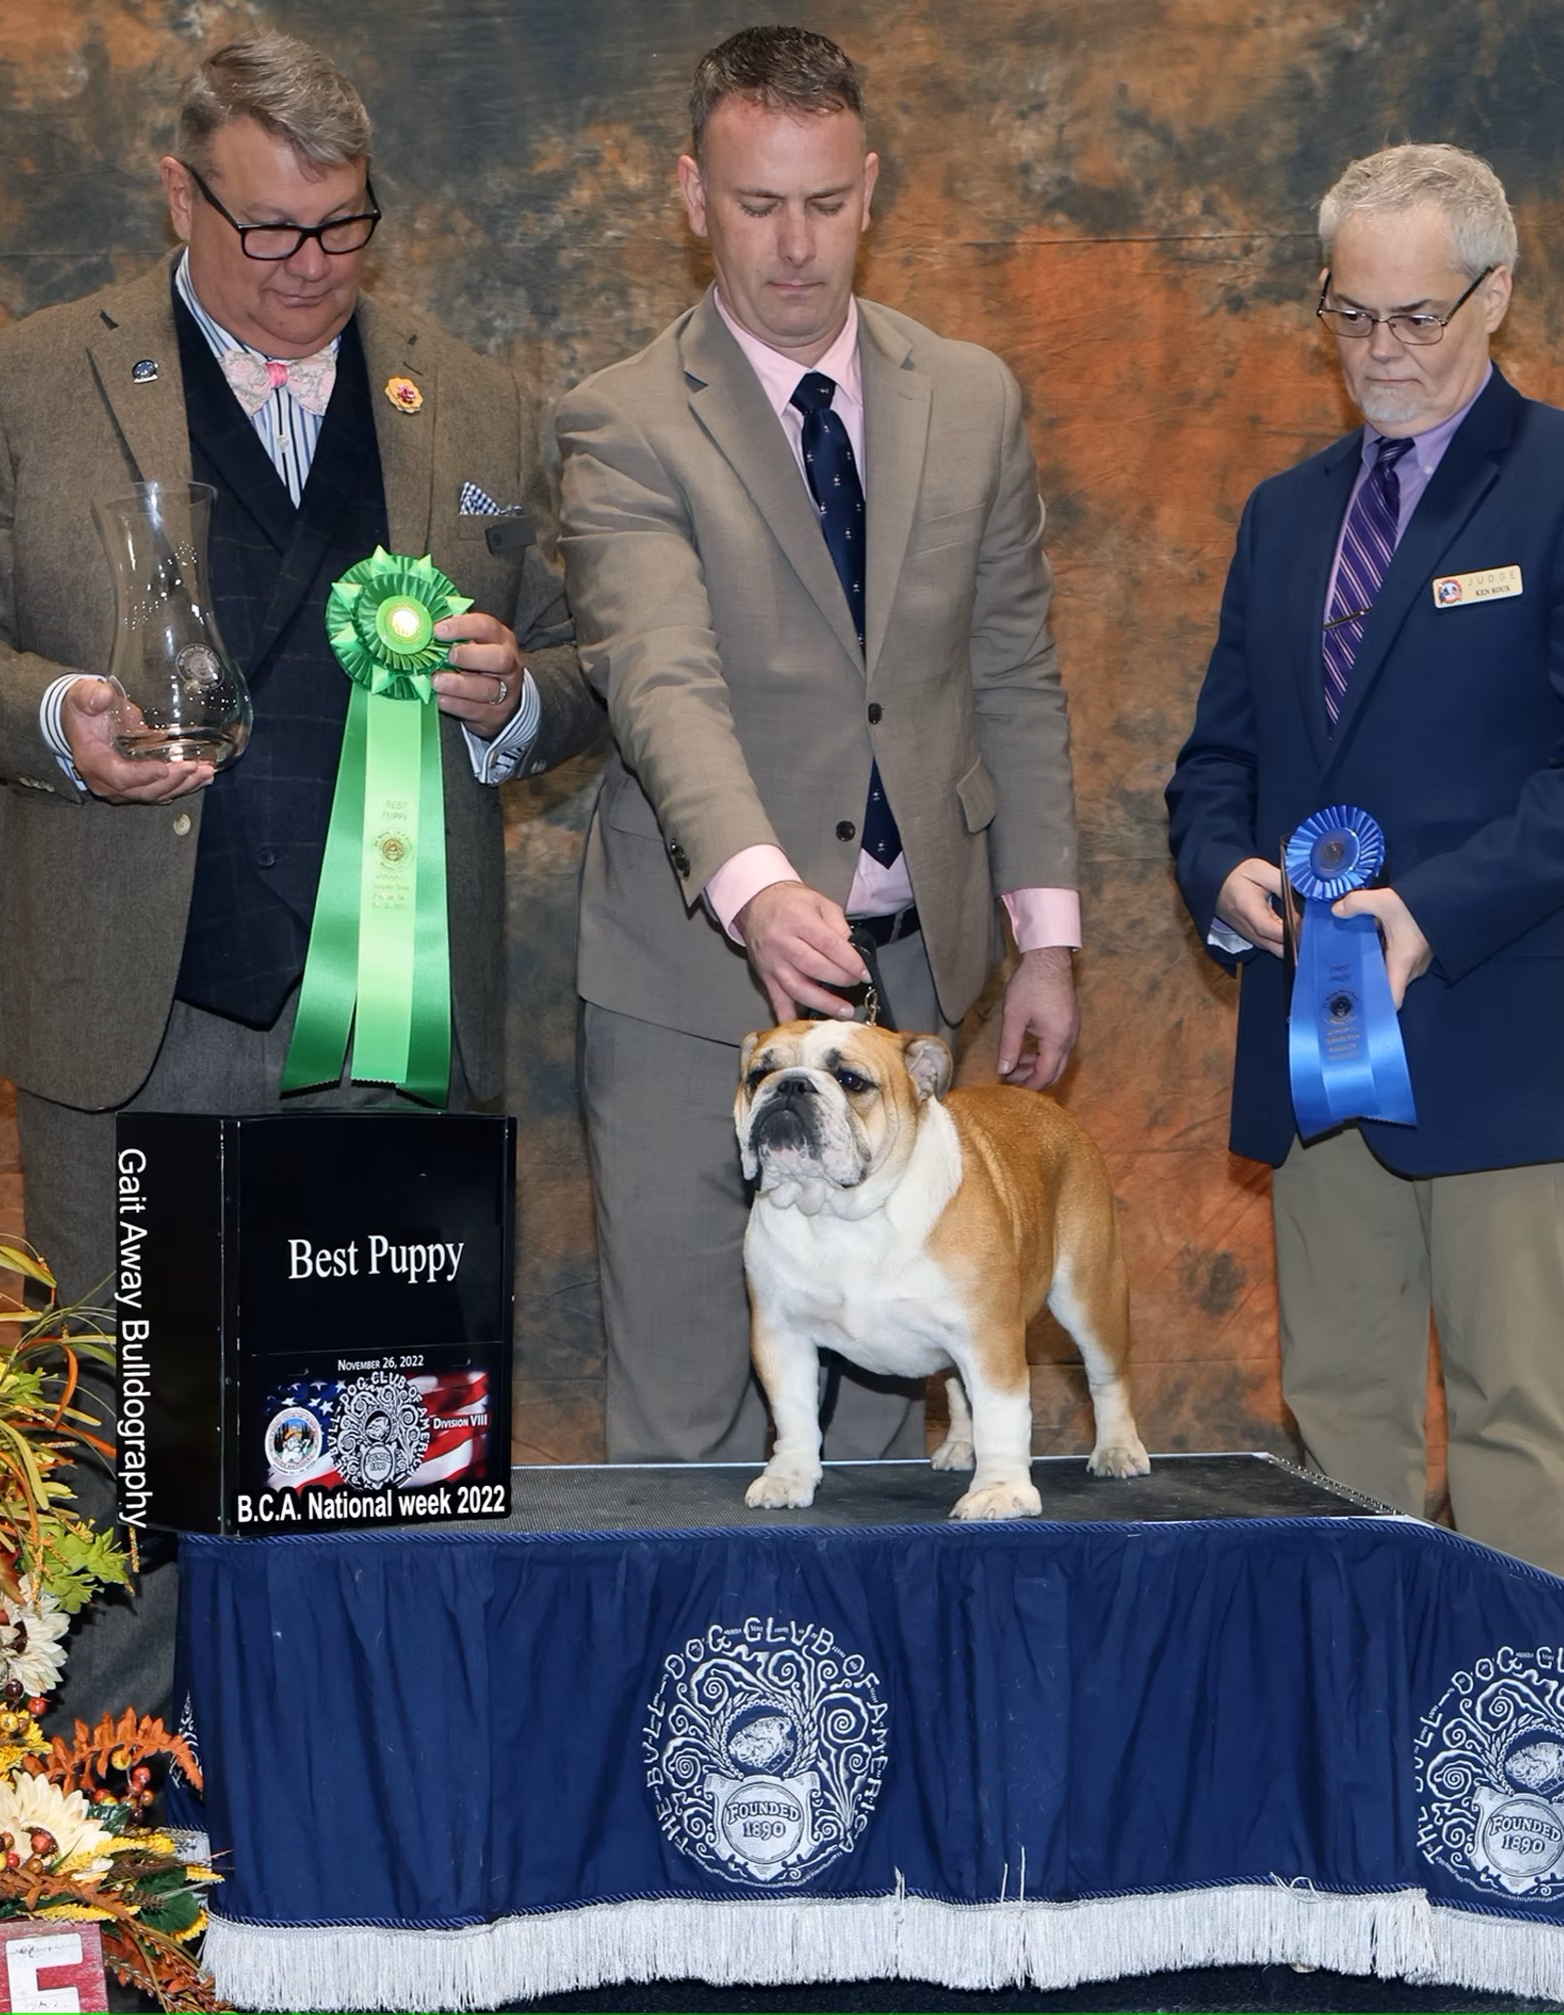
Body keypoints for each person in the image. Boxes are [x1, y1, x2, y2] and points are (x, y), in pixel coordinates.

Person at [0, 31, 601, 1713]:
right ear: (178, 194)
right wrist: (58, 712)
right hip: (136, 1014)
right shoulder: (26, 377)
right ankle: (111, 1842)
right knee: (122, 1473)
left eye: (345, 227)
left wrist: (518, 700)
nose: (312, 270)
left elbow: (585, 664)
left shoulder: (476, 391)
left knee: (383, 1451)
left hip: (393, 1037)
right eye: (271, 230)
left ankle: (381, 1832)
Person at [1166, 144, 1564, 1583]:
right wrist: (1224, 875)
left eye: (1417, 317)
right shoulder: (1283, 515)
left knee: (1515, 1414)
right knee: (1336, 1417)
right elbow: (1217, 765)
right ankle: (1358, 1741)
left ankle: (1523, 1770)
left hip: (1504, 1026)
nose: (1379, 351)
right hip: (1312, 1033)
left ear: (1497, 296)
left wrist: (1427, 913)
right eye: (1350, 315)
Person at [557, 26, 1082, 1466]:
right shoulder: (621, 422)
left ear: (872, 190)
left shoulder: (971, 396)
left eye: (825, 203)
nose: (795, 247)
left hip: (918, 991)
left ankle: (854, 1703)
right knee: (688, 1415)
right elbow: (661, 679)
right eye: (754, 204)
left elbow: (1015, 670)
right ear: (689, 196)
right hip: (695, 1000)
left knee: (876, 1437)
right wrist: (756, 882)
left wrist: (1042, 938)